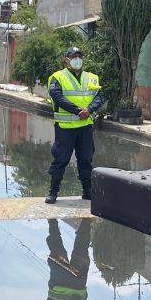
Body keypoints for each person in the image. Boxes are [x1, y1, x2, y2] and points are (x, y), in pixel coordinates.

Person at [45, 46, 103, 204]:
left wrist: (89, 110)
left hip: (85, 126)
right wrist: (78, 110)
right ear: (67, 60)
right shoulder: (57, 77)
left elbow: (99, 97)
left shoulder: (92, 77)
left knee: (85, 159)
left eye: (79, 56)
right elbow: (57, 97)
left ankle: (87, 191)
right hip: (65, 127)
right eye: (74, 57)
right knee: (61, 159)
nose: (77, 60)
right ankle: (53, 191)